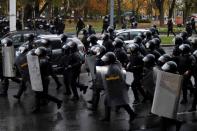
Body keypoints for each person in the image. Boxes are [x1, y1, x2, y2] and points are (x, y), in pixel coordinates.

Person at [99, 52, 137, 122]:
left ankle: (132, 114)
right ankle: (107, 117)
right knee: (113, 102)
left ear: (110, 60)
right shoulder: (113, 65)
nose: (104, 61)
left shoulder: (114, 68)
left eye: (106, 60)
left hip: (116, 88)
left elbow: (117, 78)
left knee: (120, 102)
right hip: (114, 87)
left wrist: (107, 79)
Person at [31, 47, 62, 113]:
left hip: (43, 79)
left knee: (43, 94)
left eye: (38, 52)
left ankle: (58, 101)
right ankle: (37, 108)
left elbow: (37, 68)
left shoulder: (43, 60)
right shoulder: (43, 59)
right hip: (41, 78)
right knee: (37, 94)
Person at [160, 61, 184, 131]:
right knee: (165, 116)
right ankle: (177, 123)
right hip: (166, 97)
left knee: (164, 116)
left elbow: (173, 89)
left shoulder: (176, 77)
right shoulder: (169, 75)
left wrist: (164, 85)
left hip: (170, 98)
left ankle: (176, 123)